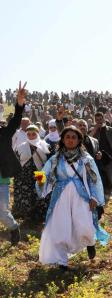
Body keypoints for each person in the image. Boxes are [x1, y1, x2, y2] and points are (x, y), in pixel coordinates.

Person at [37, 127, 110, 269]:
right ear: (63, 140)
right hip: (61, 197)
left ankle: (90, 243)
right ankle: (61, 261)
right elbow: (43, 173)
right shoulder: (55, 159)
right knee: (60, 227)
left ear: (79, 140)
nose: (70, 140)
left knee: (85, 226)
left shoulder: (86, 159)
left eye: (73, 137)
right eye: (67, 137)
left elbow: (94, 179)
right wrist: (39, 181)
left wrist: (94, 196)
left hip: (81, 195)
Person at [0, 81, 26, 245]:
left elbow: (16, 120)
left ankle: (13, 227)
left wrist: (20, 102)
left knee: (2, 211)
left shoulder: (4, 132)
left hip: (2, 178)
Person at [13, 124, 50, 222]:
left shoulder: (45, 146)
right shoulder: (20, 146)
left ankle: (38, 216)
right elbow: (16, 160)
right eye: (28, 134)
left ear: (37, 134)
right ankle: (26, 216)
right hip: (24, 175)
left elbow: (49, 161)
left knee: (40, 193)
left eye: (33, 134)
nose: (31, 136)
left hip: (40, 173)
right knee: (25, 194)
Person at [90, 112, 112, 202]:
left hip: (109, 156)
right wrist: (95, 129)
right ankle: (100, 192)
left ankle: (108, 193)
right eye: (97, 120)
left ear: (103, 119)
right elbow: (88, 138)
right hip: (97, 156)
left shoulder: (110, 129)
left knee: (109, 174)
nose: (99, 121)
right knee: (99, 175)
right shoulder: (92, 129)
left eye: (100, 119)